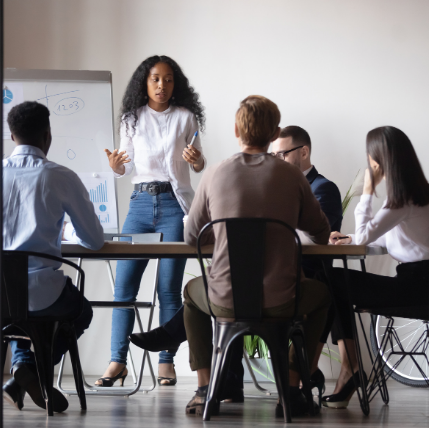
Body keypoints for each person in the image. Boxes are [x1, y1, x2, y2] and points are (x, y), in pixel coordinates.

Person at [130, 124, 344, 402]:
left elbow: (191, 235)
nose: (276, 160)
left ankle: (203, 382)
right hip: (277, 288)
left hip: (280, 280)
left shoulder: (313, 186)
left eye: (284, 154)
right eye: (275, 153)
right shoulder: (285, 178)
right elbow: (315, 231)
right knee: (236, 282)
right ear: (269, 133)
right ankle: (277, 385)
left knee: (210, 290)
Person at [180, 95, 333, 416]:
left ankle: (205, 388)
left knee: (190, 297)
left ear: (237, 129)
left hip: (225, 300)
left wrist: (220, 232)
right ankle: (290, 389)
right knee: (323, 296)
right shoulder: (292, 176)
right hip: (282, 301)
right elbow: (321, 231)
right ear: (274, 131)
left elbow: (191, 236)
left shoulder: (215, 174)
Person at [0, 101, 105, 413]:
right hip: (44, 295)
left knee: (16, 315)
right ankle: (30, 369)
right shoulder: (61, 176)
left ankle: (20, 375)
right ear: (47, 135)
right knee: (80, 313)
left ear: (12, 136)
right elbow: (94, 240)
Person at [98, 55, 206, 387]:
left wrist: (199, 160)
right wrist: (117, 168)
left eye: (169, 79)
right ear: (145, 82)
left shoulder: (186, 118)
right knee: (124, 287)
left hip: (175, 205)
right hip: (141, 205)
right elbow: (127, 167)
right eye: (156, 79)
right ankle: (117, 362)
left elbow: (198, 166)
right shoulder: (131, 119)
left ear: (177, 84)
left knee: (169, 289)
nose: (162, 85)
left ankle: (166, 360)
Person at [321, 125, 429, 409]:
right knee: (336, 283)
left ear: (379, 161)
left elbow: (366, 236)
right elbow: (393, 237)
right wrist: (352, 238)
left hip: (414, 288)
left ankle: (348, 371)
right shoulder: (422, 194)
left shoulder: (402, 200)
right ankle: (349, 371)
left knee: (332, 281)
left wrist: (367, 191)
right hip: (426, 283)